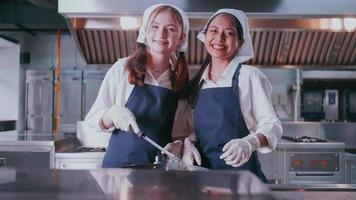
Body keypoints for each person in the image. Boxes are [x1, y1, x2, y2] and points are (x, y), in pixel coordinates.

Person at [84, 4, 192, 168]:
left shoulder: (179, 80)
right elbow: (92, 119)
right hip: (118, 170)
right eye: (155, 26)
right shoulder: (123, 68)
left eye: (170, 29)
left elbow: (180, 133)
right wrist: (112, 114)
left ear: (181, 37)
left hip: (158, 176)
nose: (161, 34)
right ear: (145, 31)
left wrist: (178, 145)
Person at [182, 9, 283, 181]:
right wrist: (188, 144)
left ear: (240, 42)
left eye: (229, 33)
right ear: (205, 35)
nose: (219, 38)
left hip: (243, 180)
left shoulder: (250, 76)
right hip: (203, 179)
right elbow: (192, 129)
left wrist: (249, 143)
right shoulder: (198, 83)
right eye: (214, 31)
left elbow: (272, 126)